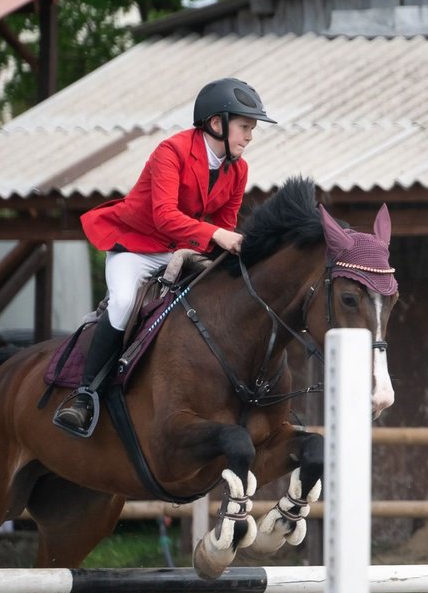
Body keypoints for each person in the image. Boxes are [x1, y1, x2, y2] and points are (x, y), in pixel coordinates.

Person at [54, 78, 277, 438]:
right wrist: (218, 235)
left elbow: (224, 223)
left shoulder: (238, 169)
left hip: (182, 251)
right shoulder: (170, 152)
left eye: (252, 128)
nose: (250, 135)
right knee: (125, 302)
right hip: (137, 248)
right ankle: (84, 395)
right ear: (217, 124)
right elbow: (165, 217)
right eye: (245, 126)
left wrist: (224, 247)